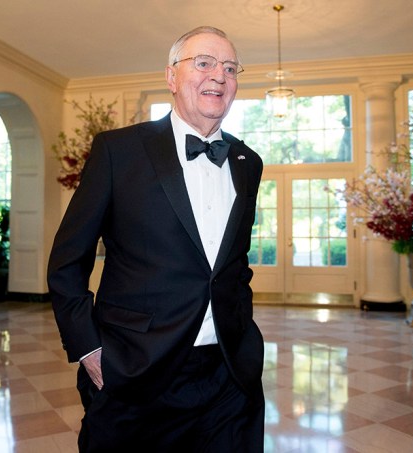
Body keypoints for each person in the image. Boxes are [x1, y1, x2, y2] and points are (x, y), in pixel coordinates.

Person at [47, 26, 265, 452]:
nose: (218, 76)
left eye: (229, 68)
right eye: (203, 63)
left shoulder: (247, 162)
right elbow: (68, 260)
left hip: (228, 373)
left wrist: (246, 339)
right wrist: (87, 347)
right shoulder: (118, 151)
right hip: (136, 369)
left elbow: (232, 264)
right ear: (171, 77)